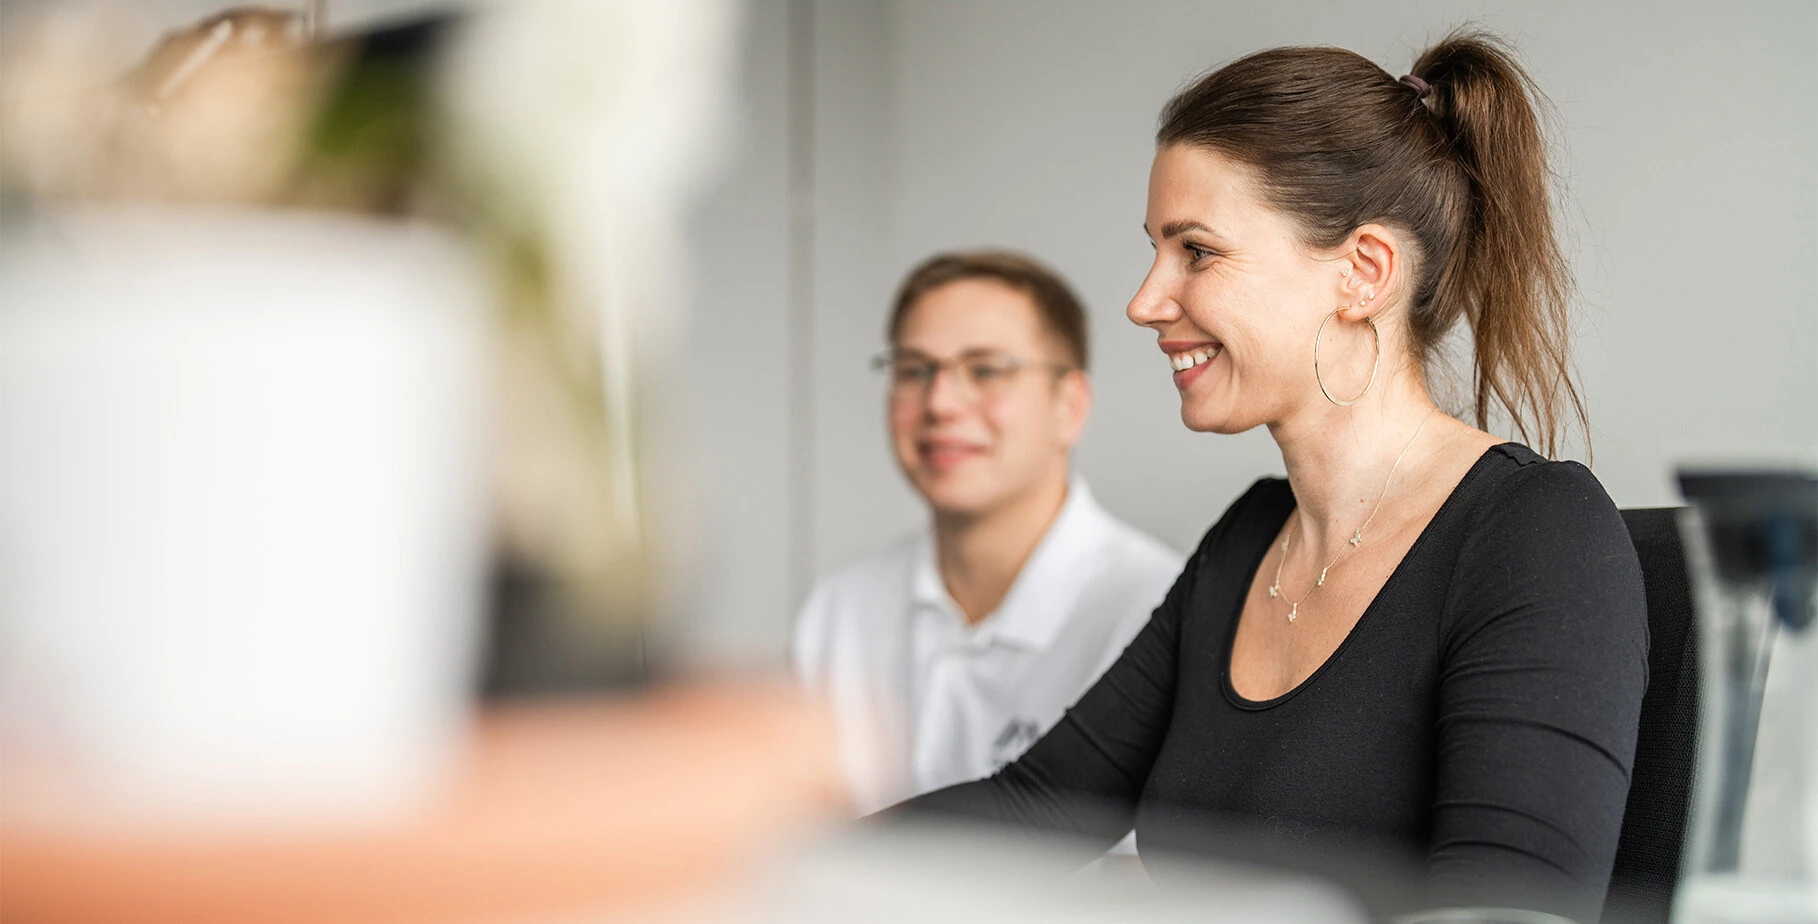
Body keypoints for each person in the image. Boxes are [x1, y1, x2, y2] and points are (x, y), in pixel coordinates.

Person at [890, 31, 1648, 924]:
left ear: (1362, 273)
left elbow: (1507, 915)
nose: (1144, 301)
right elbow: (1038, 808)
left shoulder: (1537, 533)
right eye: (1155, 250)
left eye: (1196, 251)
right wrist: (749, 853)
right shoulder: (1250, 536)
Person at [793, 251, 1182, 835]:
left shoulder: (1154, 611)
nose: (940, 403)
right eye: (914, 369)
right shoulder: (841, 608)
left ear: (1068, 406)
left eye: (987, 369)